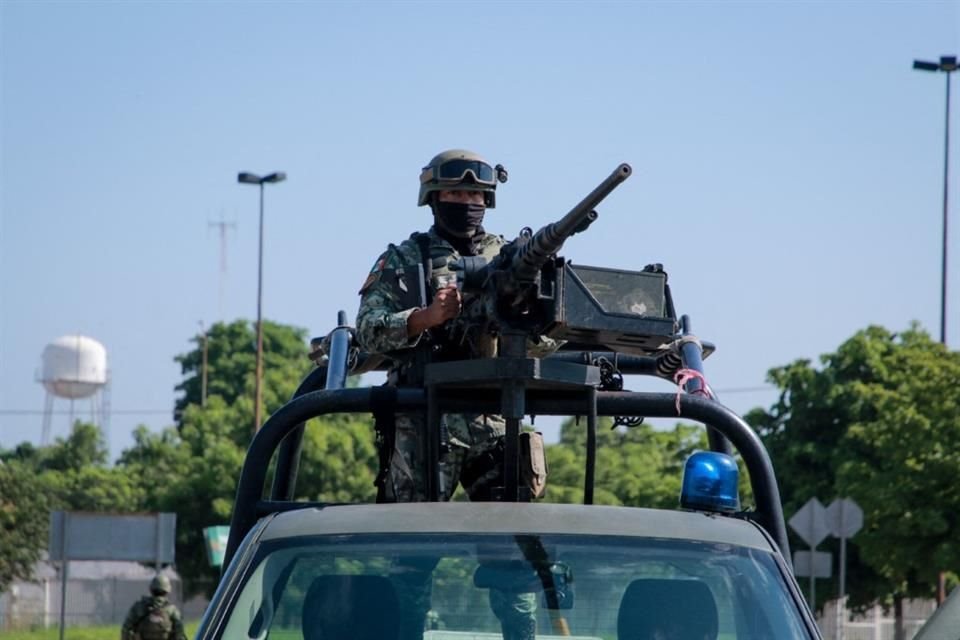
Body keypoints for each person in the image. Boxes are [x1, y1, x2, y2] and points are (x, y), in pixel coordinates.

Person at [356, 148, 551, 640]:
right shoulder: (405, 259)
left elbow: (550, 340)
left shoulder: (511, 258)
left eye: (474, 194)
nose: (466, 202)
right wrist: (425, 318)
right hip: (424, 422)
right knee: (411, 564)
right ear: (433, 198)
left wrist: (527, 314)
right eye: (455, 193)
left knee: (514, 562)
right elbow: (367, 332)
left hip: (496, 423)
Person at [120, 574, 187, 640]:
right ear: (168, 591)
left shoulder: (139, 607)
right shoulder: (172, 610)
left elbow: (126, 629)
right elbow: (179, 633)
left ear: (151, 589)